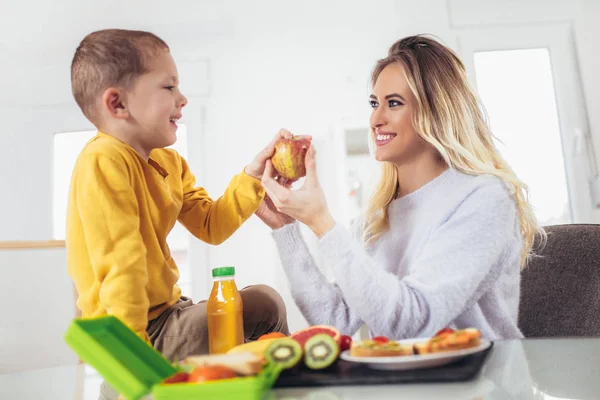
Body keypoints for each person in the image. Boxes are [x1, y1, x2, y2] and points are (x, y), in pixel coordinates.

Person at [257, 34, 544, 340]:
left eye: (393, 103)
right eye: (374, 103)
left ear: (435, 111)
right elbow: (334, 321)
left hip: (482, 384)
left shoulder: (484, 199)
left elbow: (414, 321)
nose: (375, 119)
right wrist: (285, 229)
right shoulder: (378, 216)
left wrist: (323, 223)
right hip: (401, 384)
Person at [66, 28, 290, 372]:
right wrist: (133, 363)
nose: (182, 98)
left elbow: (212, 225)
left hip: (170, 314)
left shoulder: (168, 162)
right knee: (264, 307)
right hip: (133, 334)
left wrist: (253, 176)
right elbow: (121, 266)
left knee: (263, 303)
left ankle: (257, 378)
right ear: (118, 104)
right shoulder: (104, 161)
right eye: (169, 87)